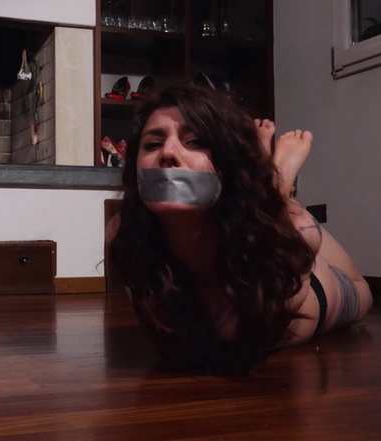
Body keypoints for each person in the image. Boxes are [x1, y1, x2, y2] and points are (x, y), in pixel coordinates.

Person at [109, 86, 372, 375]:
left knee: (300, 242)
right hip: (258, 232)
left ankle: (277, 184)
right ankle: (271, 185)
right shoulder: (126, 236)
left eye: (195, 141)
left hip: (314, 291)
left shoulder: (298, 234)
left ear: (228, 165)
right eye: (152, 144)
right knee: (275, 222)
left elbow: (234, 346)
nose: (167, 153)